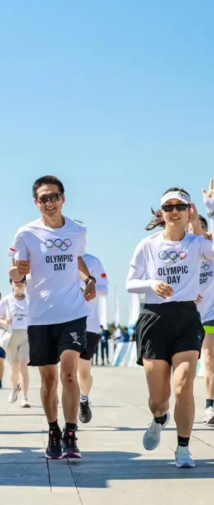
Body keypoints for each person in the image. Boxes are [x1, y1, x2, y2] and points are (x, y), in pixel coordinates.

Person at [9, 175, 96, 460]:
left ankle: (71, 433)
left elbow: (77, 259)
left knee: (69, 373)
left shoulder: (77, 230)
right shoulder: (26, 233)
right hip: (40, 316)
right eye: (43, 198)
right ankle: (53, 431)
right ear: (36, 203)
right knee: (48, 379)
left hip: (73, 313)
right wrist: (16, 274)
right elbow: (17, 275)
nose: (49, 202)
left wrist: (89, 279)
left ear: (63, 198)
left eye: (54, 196)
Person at [127, 186, 214, 468]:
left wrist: (205, 217)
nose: (174, 211)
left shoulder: (197, 243)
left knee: (184, 387)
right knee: (159, 399)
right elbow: (130, 283)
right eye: (168, 207)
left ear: (189, 211)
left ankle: (183, 448)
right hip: (154, 318)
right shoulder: (148, 245)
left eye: (180, 207)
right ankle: (159, 418)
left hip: (187, 317)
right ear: (161, 213)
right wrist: (151, 284)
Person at [77, 252, 108, 424]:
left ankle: (84, 399)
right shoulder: (58, 257)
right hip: (63, 321)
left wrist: (88, 288)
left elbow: (104, 290)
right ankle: (70, 415)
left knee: (83, 372)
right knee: (67, 371)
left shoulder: (93, 262)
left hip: (89, 323)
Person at [190, 212, 214, 425]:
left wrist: (211, 210)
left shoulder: (211, 249)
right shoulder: (185, 251)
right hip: (188, 315)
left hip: (211, 315)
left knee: (209, 359)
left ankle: (210, 405)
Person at [0, 278, 31, 408]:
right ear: (11, 284)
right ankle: (15, 387)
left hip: (26, 336)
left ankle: (25, 397)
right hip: (11, 337)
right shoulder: (7, 300)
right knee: (14, 369)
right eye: (16, 282)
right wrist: (4, 322)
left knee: (24, 365)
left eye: (21, 281)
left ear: (25, 284)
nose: (19, 283)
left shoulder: (29, 300)